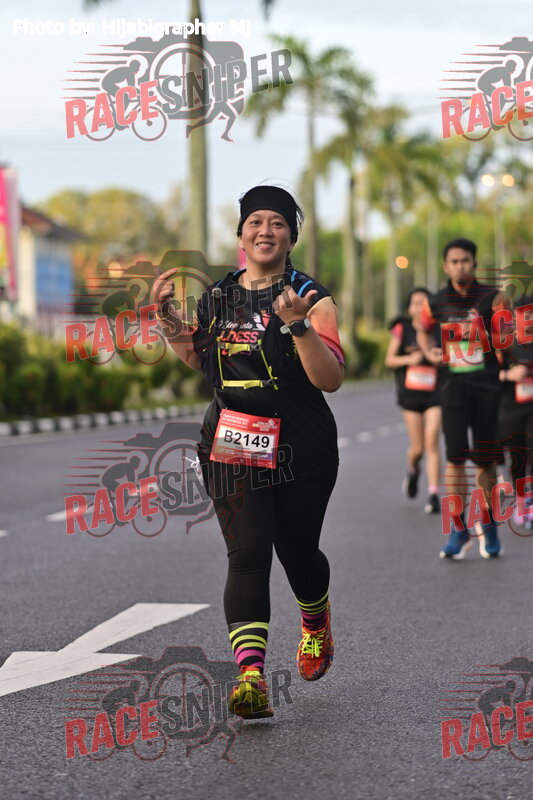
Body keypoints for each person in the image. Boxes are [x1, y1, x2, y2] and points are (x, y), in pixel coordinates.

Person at [152, 184, 344, 719]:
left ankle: (314, 619)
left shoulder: (313, 296)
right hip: (232, 440)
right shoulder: (218, 297)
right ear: (241, 234)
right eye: (255, 221)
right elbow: (201, 359)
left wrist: (298, 325)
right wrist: (168, 322)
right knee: (248, 553)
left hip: (302, 444)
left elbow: (330, 378)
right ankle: (251, 677)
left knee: (297, 552)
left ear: (291, 237)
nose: (266, 231)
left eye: (277, 222)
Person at [417, 238, 508, 559]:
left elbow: (508, 337)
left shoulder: (493, 297)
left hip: (487, 387)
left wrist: (480, 333)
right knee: (455, 459)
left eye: (465, 260)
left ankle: (489, 523)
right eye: (454, 261)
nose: (460, 266)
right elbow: (423, 328)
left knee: (486, 461)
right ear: (446, 266)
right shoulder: (436, 301)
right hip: (452, 386)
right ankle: (458, 529)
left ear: (474, 263)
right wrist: (429, 351)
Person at [385, 287, 442, 514]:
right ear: (409, 307)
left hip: (436, 393)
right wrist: (410, 359)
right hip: (410, 395)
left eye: (424, 303)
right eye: (416, 303)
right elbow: (390, 360)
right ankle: (413, 470)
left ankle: (434, 494)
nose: (419, 308)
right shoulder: (402, 328)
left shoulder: (439, 328)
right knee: (418, 448)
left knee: (432, 441)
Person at [497, 295, 533, 527]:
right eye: (525, 314)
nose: (529, 319)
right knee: (518, 457)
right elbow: (489, 374)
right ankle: (521, 502)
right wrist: (508, 374)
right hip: (510, 408)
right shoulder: (505, 344)